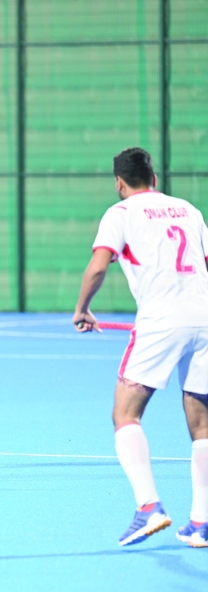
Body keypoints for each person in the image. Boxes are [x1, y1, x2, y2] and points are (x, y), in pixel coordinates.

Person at [74, 147, 208, 548]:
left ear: (119, 182)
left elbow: (99, 265)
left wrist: (82, 309)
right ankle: (201, 523)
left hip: (161, 322)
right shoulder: (188, 209)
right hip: (206, 318)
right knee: (203, 423)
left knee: (125, 414)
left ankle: (149, 506)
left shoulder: (121, 214)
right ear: (154, 178)